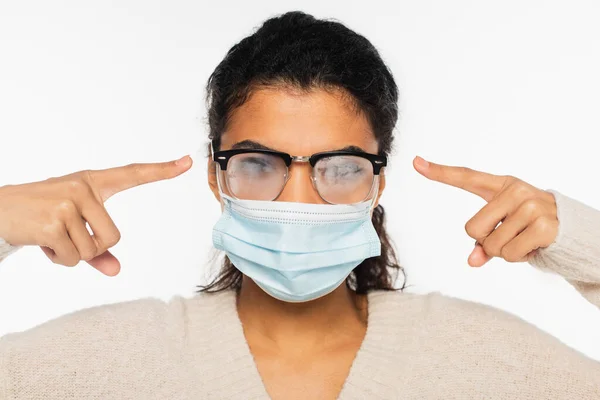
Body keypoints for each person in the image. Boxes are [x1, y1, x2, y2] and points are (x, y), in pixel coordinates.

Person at [0, 10, 599, 400]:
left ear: (377, 184)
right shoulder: (97, 365)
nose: (297, 200)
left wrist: (586, 246)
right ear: (217, 175)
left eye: (338, 168)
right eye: (260, 163)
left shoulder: (491, 363)